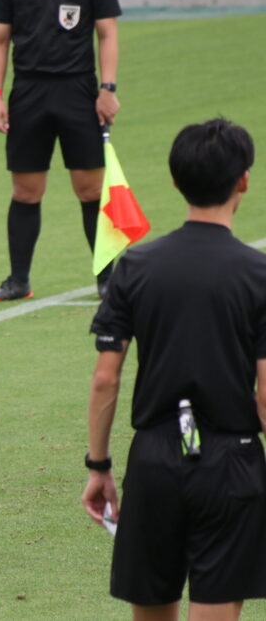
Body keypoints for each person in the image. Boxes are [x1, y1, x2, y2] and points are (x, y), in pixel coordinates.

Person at [82, 118, 266, 619]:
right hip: (232, 462)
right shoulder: (259, 275)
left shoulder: (136, 268)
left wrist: (99, 466)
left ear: (176, 181)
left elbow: (105, 378)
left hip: (155, 459)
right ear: (243, 179)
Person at [0, 0, 122, 301]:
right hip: (29, 93)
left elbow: (107, 33)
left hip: (79, 91)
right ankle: (18, 281)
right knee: (26, 191)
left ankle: (108, 279)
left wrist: (108, 89)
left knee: (90, 189)